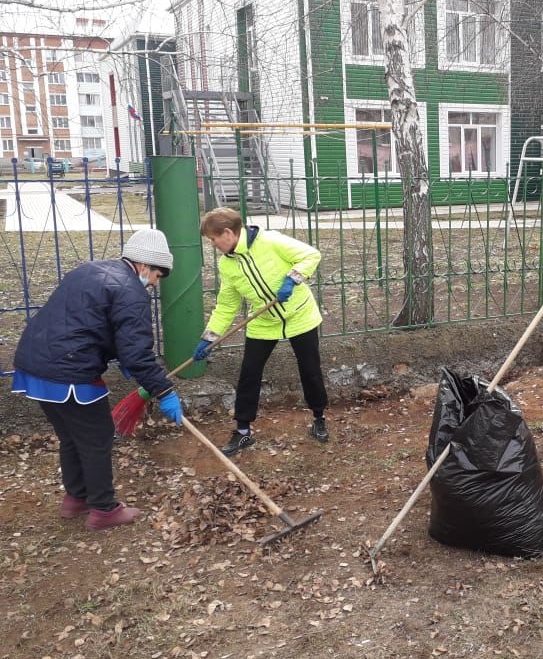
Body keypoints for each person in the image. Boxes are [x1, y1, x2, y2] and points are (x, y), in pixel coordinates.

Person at [11, 228, 184, 530]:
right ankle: (104, 509)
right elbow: (138, 353)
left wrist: (123, 357)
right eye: (158, 275)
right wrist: (164, 391)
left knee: (71, 436)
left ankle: (76, 498)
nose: (156, 284)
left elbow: (89, 321)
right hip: (68, 371)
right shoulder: (132, 292)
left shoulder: (91, 270)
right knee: (97, 437)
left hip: (34, 363)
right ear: (144, 266)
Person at [194, 208, 330, 456]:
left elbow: (311, 254)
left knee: (309, 368)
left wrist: (293, 278)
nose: (212, 244)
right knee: (249, 373)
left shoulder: (270, 241)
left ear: (227, 233)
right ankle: (243, 432)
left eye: (213, 239)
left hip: (300, 314)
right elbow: (226, 305)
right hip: (263, 321)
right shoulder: (228, 265)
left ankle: (319, 418)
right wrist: (209, 338)